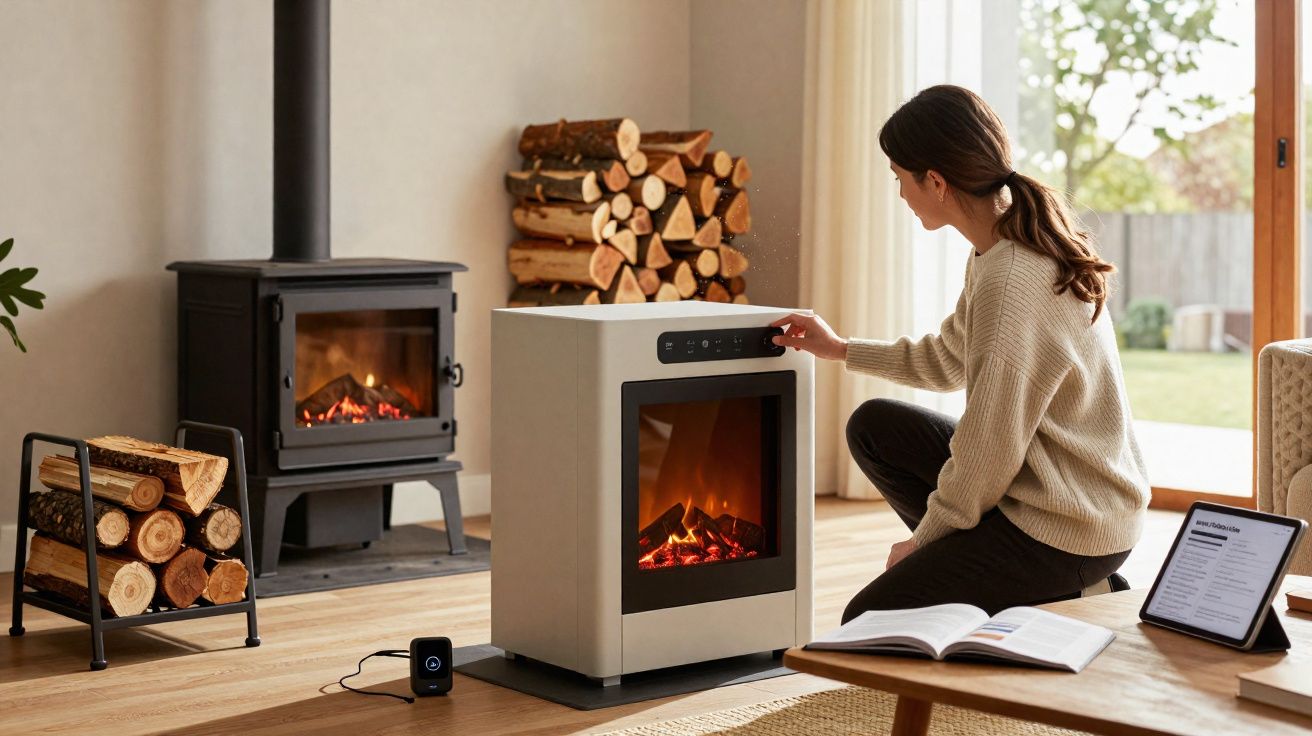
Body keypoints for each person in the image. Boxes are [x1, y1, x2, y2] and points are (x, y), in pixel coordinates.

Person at [772, 85, 1150, 623]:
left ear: (936, 182)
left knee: (868, 621)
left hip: (1072, 527)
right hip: (1055, 494)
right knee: (875, 427)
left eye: (900, 178)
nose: (901, 194)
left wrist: (924, 543)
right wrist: (839, 349)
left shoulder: (1013, 276)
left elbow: (988, 447)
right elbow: (949, 359)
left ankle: (1067, 587)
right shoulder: (1000, 244)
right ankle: (1053, 588)